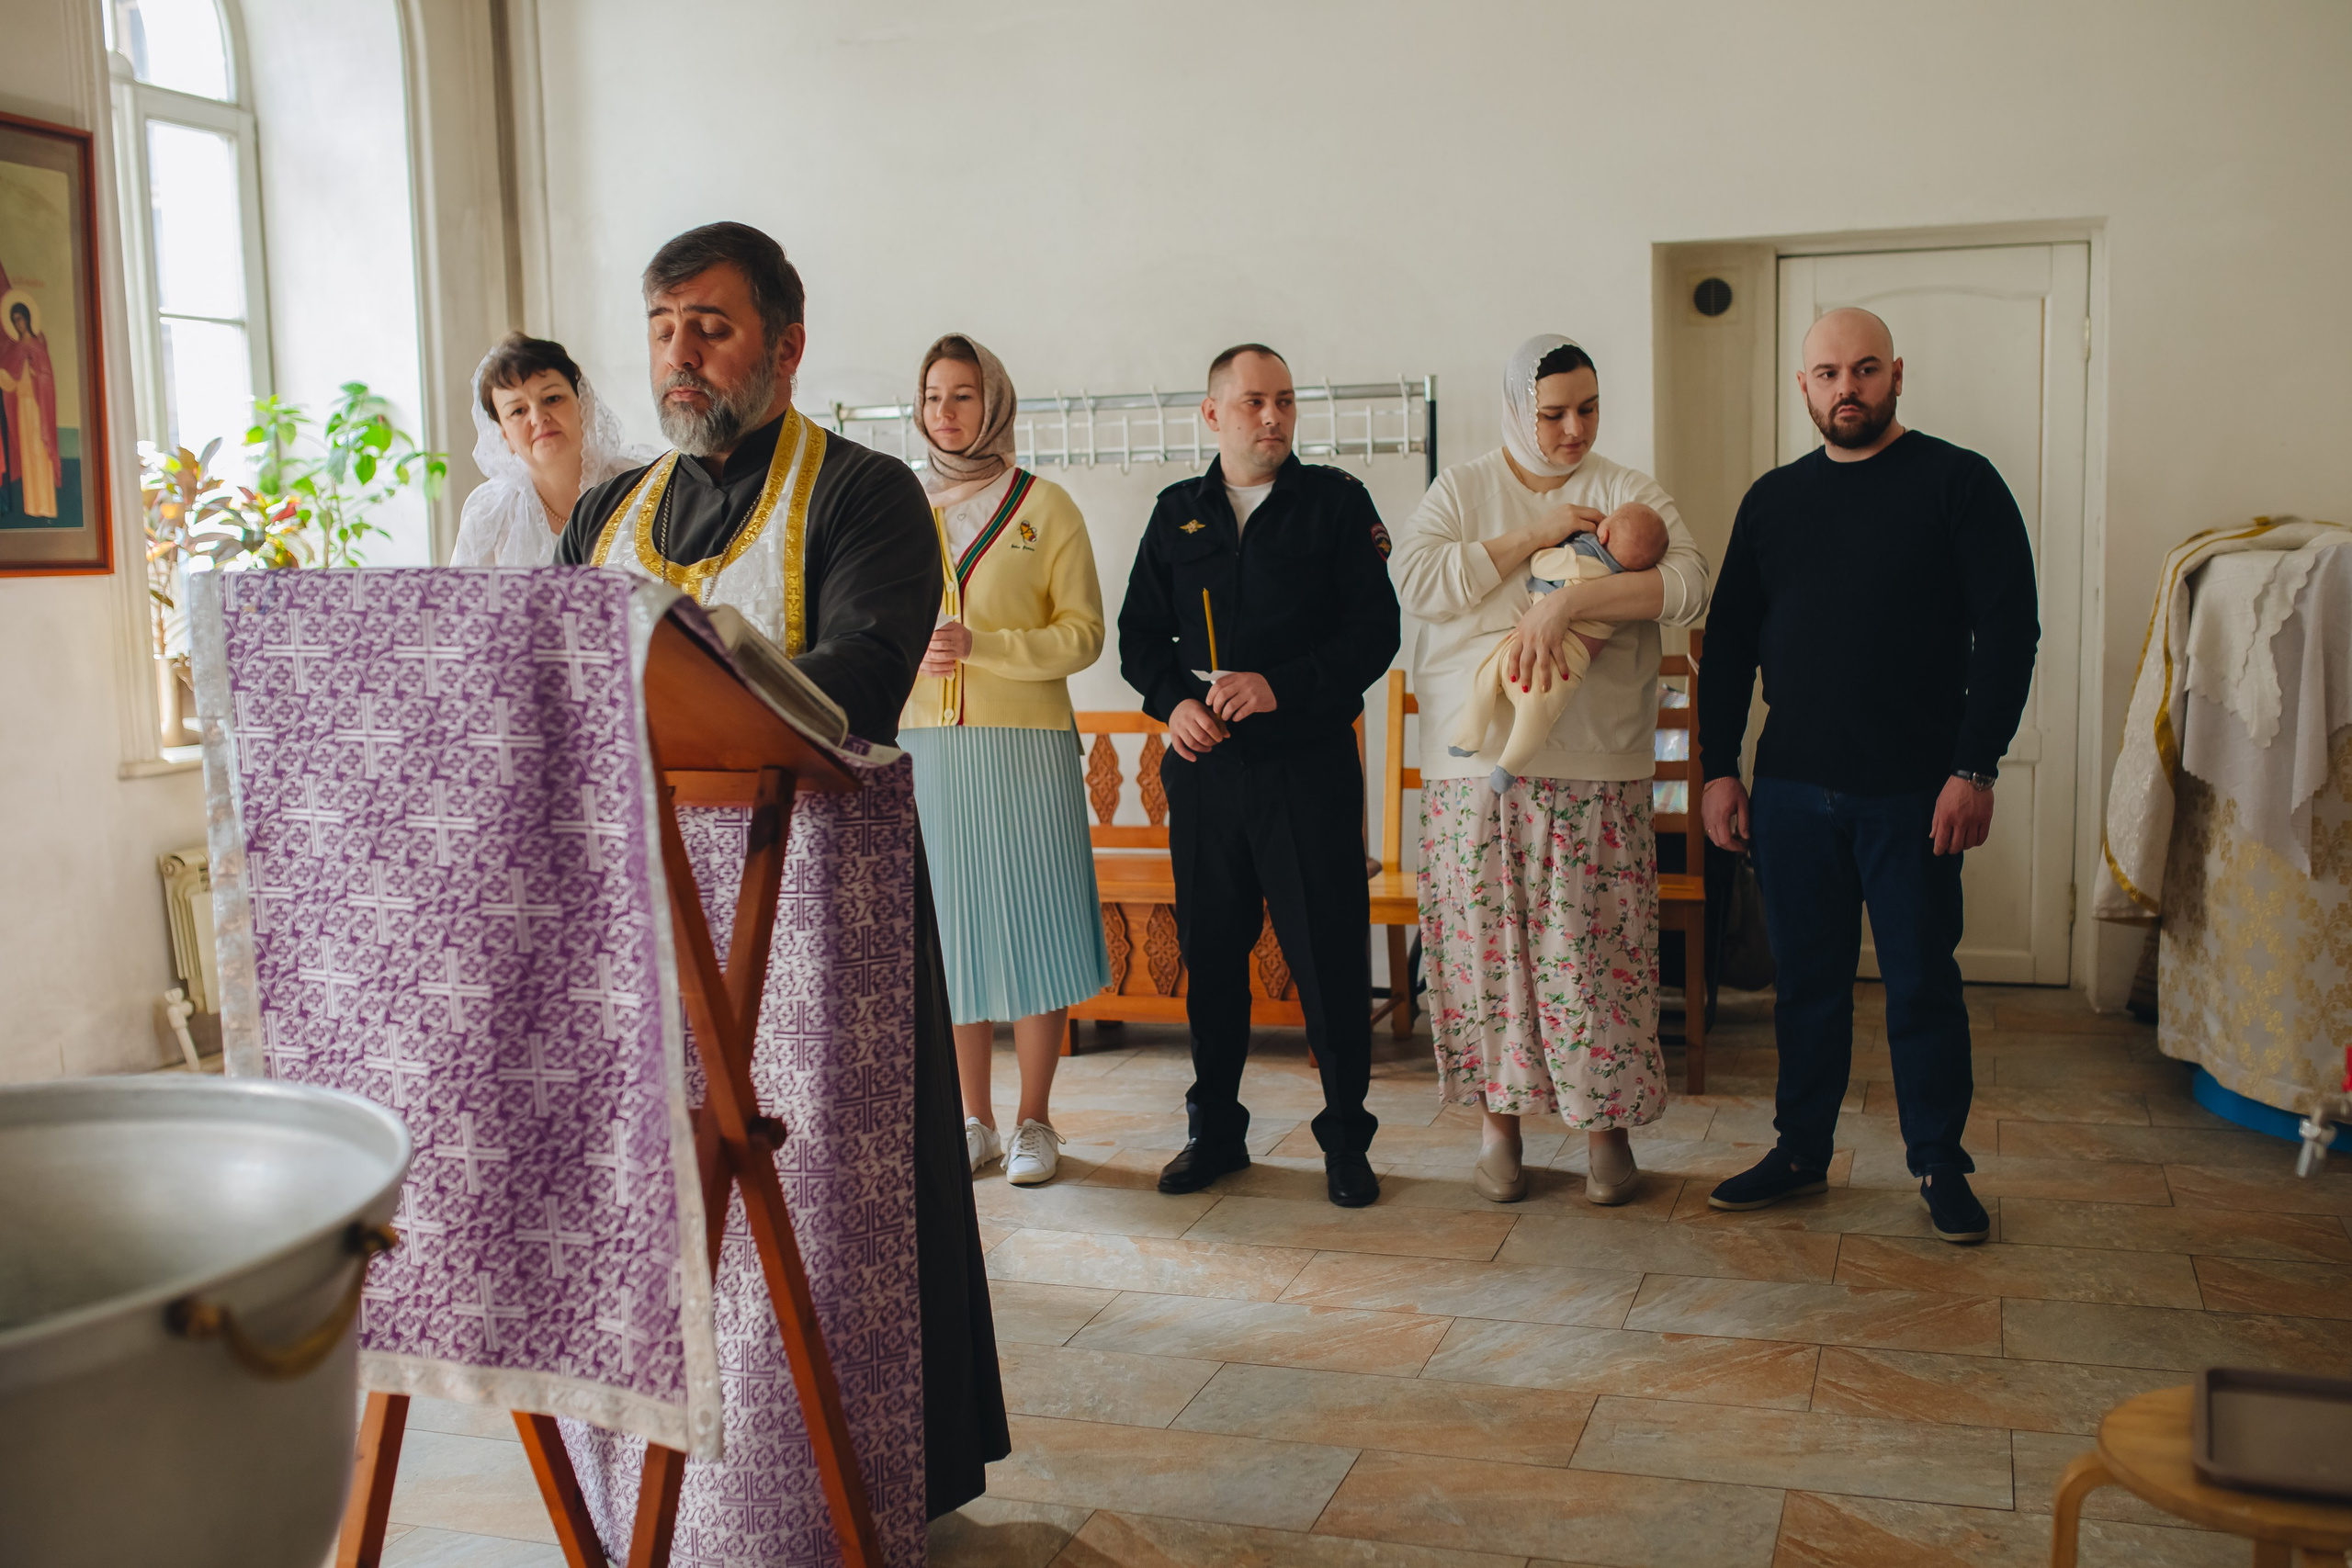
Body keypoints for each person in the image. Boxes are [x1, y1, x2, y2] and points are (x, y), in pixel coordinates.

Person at [555, 222, 1009, 1513]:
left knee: (813, 1203)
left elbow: (864, 676)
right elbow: (555, 679)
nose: (680, 353)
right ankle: (669, 1478)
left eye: (711, 325)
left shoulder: (865, 493)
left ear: (787, 345)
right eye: (662, 327)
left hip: (808, 900)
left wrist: (697, 696)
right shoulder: (607, 505)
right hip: (639, 906)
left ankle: (835, 1478)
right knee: (661, 1193)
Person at [1698, 306, 2039, 1245]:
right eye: (1825, 374)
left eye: (1863, 370)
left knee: (1921, 982)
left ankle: (1938, 1164)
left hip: (1913, 793)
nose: (1845, 388)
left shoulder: (1957, 484)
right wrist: (1717, 770)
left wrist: (1974, 765)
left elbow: (2010, 634)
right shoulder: (1771, 500)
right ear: (1802, 386)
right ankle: (1801, 1151)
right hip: (1792, 792)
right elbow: (1725, 647)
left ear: (1896, 374)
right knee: (1804, 985)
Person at [1391, 335, 1710, 1206]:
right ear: (1514, 410)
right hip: (1472, 771)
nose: (1573, 430)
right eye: (1553, 413)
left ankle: (1606, 1134)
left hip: (1596, 767)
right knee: (1489, 953)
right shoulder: (1462, 488)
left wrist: (1569, 601)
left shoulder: (1629, 490)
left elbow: (1688, 585)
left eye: (1588, 409)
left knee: (1595, 948)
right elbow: (1418, 579)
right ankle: (1500, 1128)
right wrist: (1535, 536)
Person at [1117, 343, 1399, 1209]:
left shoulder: (1337, 506)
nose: (1271, 416)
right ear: (1213, 414)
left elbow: (1375, 633)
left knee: (1326, 956)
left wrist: (1282, 685)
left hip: (1307, 765)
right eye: (1251, 402)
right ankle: (1215, 1132)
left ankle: (1346, 1138)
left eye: (1283, 401)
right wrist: (1173, 704)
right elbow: (1138, 639)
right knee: (1211, 952)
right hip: (1206, 773)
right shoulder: (1177, 514)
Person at [898, 333, 1111, 1188]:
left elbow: (1084, 633)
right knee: (950, 935)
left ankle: (1035, 1119)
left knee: (1035, 923)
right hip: (925, 745)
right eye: (933, 397)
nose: (946, 414)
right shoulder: (896, 506)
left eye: (963, 395)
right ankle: (973, 1119)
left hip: (1025, 745)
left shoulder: (1045, 506)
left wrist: (983, 643)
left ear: (994, 402)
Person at [1448, 502, 1670, 787]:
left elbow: (1541, 564)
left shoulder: (1580, 559)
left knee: (1487, 674)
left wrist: (1546, 545)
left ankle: (1469, 734)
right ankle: (1507, 768)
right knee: (1535, 720)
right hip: (1568, 671)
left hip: (1530, 651)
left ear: (1604, 535)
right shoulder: (1623, 583)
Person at [451, 332, 651, 566]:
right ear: (504, 434)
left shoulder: (639, 487)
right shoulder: (488, 514)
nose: (538, 418)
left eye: (552, 398)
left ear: (582, 405)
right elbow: (464, 600)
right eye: (518, 411)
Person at [0, 296, 61, 519]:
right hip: (22, 408)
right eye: (14, 320)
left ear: (27, 319)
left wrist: (36, 372)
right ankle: (32, 507)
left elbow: (46, 375)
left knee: (40, 454)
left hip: (38, 407)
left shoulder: (38, 345)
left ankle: (47, 507)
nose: (18, 324)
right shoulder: (15, 349)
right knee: (28, 455)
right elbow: (10, 382)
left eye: (20, 319)